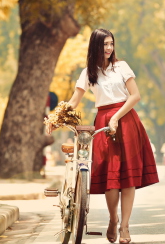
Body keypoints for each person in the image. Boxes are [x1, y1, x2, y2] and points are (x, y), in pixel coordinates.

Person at [47, 29, 159, 244]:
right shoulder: (88, 73)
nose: (108, 48)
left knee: (128, 179)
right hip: (103, 121)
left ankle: (125, 227)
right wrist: (55, 119)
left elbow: (135, 96)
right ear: (95, 46)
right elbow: (73, 101)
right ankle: (113, 218)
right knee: (111, 179)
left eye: (111, 44)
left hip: (126, 119)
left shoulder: (122, 67)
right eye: (104, 44)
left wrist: (116, 117)